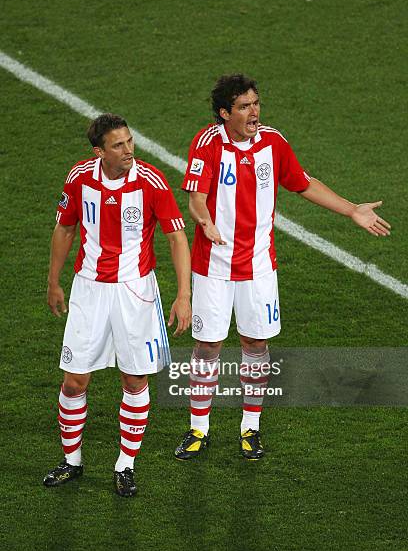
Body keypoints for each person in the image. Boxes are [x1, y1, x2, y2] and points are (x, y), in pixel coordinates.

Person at [175, 74, 391, 461]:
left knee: (256, 344)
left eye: (255, 103)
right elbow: (196, 197)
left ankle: (250, 428)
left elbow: (302, 182)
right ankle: (198, 428)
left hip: (259, 266)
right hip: (214, 266)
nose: (254, 111)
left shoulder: (273, 143)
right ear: (225, 114)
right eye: (244, 106)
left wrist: (351, 209)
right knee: (208, 346)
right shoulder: (207, 144)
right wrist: (205, 222)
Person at [44, 113, 191, 496]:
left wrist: (183, 295)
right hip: (89, 291)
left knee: (134, 379)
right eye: (119, 145)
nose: (129, 150)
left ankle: (125, 465)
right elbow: (65, 227)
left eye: (129, 141)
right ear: (100, 151)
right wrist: (53, 281)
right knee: (75, 380)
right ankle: (71, 461)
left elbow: (176, 239)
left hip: (135, 293)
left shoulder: (150, 181)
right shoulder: (79, 178)